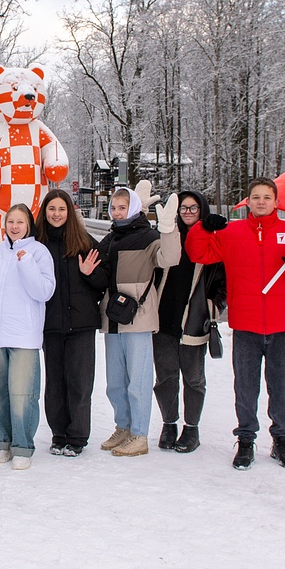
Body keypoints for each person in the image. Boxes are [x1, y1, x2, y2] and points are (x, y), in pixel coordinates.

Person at [185, 178, 285, 470]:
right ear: (247, 201)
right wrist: (203, 227)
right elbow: (199, 253)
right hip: (246, 324)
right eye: (256, 197)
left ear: (276, 202)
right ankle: (246, 439)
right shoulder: (232, 232)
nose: (261, 201)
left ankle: (281, 440)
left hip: (282, 325)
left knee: (281, 386)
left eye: (267, 197)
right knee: (245, 387)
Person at [94, 186, 180, 458]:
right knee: (115, 382)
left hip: (138, 319)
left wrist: (168, 229)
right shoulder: (109, 239)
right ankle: (124, 426)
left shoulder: (148, 237)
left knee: (138, 381)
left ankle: (140, 434)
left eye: (123, 207)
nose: (118, 212)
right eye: (114, 207)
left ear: (133, 208)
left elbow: (170, 258)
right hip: (113, 319)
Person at [0, 204, 56, 470]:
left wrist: (27, 263)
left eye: (20, 222)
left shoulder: (38, 252)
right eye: (11, 222)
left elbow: (44, 291)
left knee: (22, 394)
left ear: (29, 225)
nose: (15, 227)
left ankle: (22, 446)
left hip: (23, 336)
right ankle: (2, 443)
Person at [152, 190, 227, 454]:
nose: (187, 213)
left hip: (193, 320)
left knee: (193, 379)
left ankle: (191, 428)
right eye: (183, 208)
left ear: (202, 210)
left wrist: (213, 306)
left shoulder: (213, 241)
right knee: (165, 377)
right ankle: (169, 423)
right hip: (163, 319)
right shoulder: (166, 236)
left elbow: (223, 282)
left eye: (193, 208)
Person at [34, 189, 104, 457]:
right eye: (52, 209)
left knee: (79, 382)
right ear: (45, 212)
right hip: (50, 323)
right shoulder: (36, 244)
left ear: (69, 212)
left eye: (62, 209)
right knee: (55, 383)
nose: (56, 214)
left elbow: (102, 284)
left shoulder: (85, 242)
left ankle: (77, 437)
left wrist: (90, 273)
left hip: (81, 324)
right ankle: (58, 434)